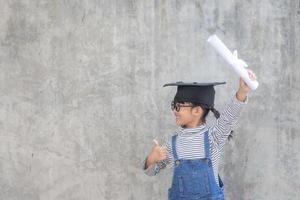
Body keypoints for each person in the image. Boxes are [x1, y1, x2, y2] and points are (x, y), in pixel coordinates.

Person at [143, 71, 257, 200]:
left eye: (178, 106)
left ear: (197, 110)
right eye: (173, 105)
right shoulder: (171, 145)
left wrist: (242, 91)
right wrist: (151, 159)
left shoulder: (213, 137)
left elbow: (229, 117)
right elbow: (150, 171)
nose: (174, 110)